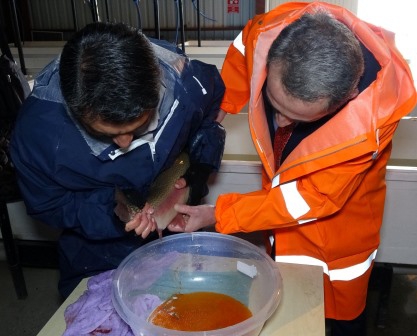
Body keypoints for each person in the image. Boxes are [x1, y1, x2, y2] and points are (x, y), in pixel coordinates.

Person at [168, 2, 416, 335]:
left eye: (298, 118)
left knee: (334, 316)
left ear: (348, 97)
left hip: (336, 241)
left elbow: (304, 200)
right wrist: (222, 109)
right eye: (274, 103)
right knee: (285, 301)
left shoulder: (363, 135)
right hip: (279, 220)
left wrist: (218, 214)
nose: (281, 122)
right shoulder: (271, 32)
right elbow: (245, 51)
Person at [10, 22, 225, 298]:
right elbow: (49, 206)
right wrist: (114, 211)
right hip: (96, 251)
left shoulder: (187, 85)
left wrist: (194, 178)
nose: (125, 143)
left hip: (176, 233)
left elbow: (210, 117)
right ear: (75, 109)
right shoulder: (38, 136)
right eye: (107, 134)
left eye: (136, 128)